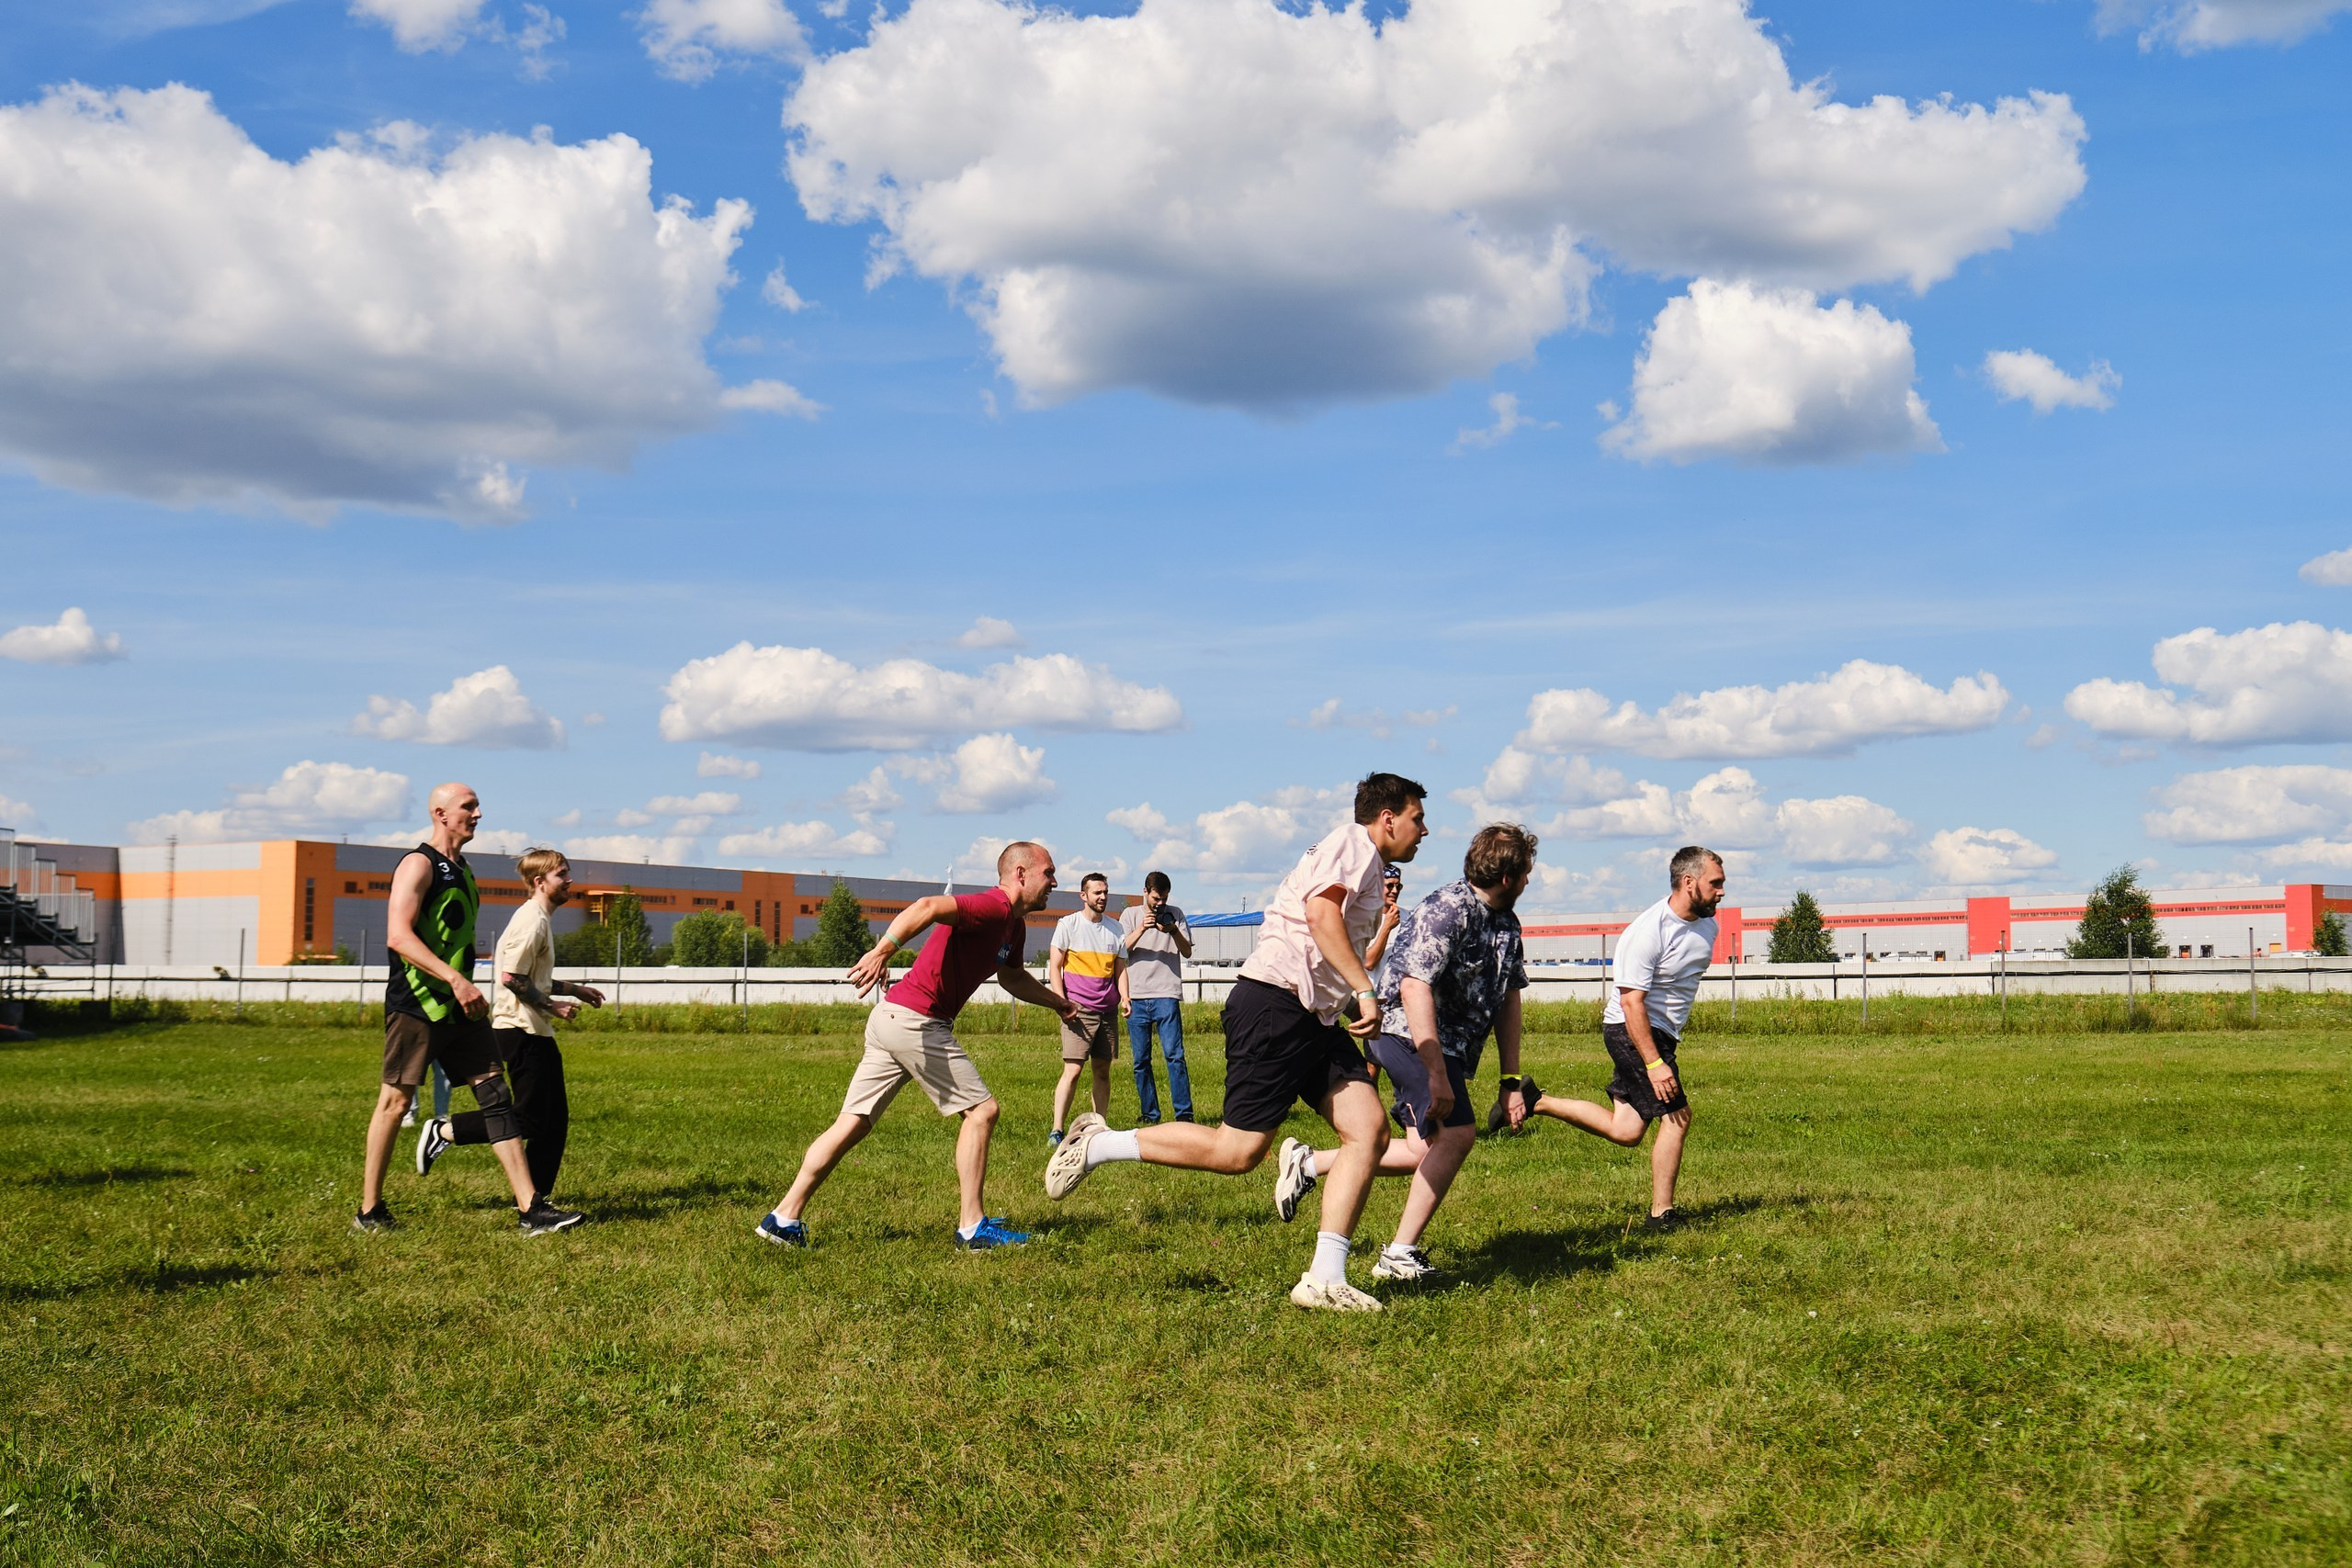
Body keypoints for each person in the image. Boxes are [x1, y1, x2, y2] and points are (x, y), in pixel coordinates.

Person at [1047, 773, 1429, 1311]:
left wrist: (1346, 996)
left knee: (1367, 1131)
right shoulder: (1354, 845)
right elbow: (1320, 917)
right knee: (1237, 1151)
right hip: (1274, 1006)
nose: (1424, 830)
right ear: (1388, 818)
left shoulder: (1360, 857)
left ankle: (1324, 1277)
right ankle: (1098, 1144)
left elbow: (1324, 939)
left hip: (1312, 1018)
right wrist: (1364, 990)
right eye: (1417, 819)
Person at [756, 841, 1076, 1250]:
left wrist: (1058, 1002)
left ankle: (782, 1218)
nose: (1054, 882)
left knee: (852, 1123)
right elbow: (926, 906)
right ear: (1020, 874)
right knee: (982, 1111)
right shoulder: (992, 906)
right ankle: (972, 1228)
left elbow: (1012, 979)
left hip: (894, 1019)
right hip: (916, 1021)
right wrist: (882, 951)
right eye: (1048, 873)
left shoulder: (1014, 926)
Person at [1276, 824, 1535, 1281]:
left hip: (1444, 1046)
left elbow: (1508, 998)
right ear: (1509, 875)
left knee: (1422, 1149)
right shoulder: (1448, 909)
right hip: (1406, 1034)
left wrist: (1511, 1080)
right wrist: (1436, 1073)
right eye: (1528, 872)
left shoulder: (1506, 925)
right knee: (1457, 1135)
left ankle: (1309, 1163)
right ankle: (1399, 1254)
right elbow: (1415, 987)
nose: (1530, 881)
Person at [352, 784, 582, 1236]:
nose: (477, 813)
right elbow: (398, 936)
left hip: (463, 1008)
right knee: (395, 1103)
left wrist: (463, 986)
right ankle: (369, 1211)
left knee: (496, 1098)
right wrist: (455, 979)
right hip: (418, 1004)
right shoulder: (418, 864)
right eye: (468, 807)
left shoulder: (464, 869)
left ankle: (530, 1208)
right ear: (440, 813)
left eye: (476, 806)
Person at [1520, 844, 1722, 1230]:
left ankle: (1537, 1101)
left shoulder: (1708, 924)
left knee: (1626, 1130)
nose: (1722, 891)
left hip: (1660, 1033)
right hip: (1634, 1031)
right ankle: (1661, 1215)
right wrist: (1655, 1063)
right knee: (1677, 1117)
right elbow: (1631, 1004)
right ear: (1688, 882)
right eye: (1716, 883)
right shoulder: (1648, 931)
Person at [413, 847, 604, 1202]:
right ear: (539, 882)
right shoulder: (531, 921)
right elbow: (511, 978)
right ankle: (446, 1129)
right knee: (531, 1119)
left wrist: (576, 991)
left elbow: (535, 979)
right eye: (562, 874)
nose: (570, 880)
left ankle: (537, 1198)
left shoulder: (541, 919)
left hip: (534, 1030)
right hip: (518, 1031)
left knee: (554, 1121)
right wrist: (554, 1006)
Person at [1047, 872, 1125, 1146]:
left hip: (1108, 1011)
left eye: (1105, 892)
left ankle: (1098, 1128)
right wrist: (1061, 1001)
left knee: (1102, 1071)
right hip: (1077, 1011)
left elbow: (1121, 970)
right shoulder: (1068, 925)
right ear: (1084, 896)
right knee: (1074, 1070)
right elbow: (1054, 966)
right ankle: (1057, 1130)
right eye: (1097, 893)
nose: (1102, 897)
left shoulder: (1116, 929)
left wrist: (1125, 998)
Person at [1117, 871, 1193, 1124]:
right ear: (1145, 893)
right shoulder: (1130, 915)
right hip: (1136, 996)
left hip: (1166, 994)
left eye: (1164, 899)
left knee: (1174, 1056)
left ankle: (1184, 1116)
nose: (1160, 904)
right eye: (1156, 898)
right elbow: (1121, 950)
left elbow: (1187, 951)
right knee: (1141, 1061)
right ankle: (1150, 1115)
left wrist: (1172, 930)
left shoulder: (1176, 914)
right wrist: (1142, 927)